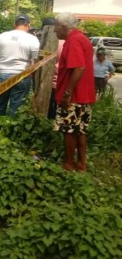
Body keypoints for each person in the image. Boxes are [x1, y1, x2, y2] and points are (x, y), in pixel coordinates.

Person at [54, 13, 96, 172]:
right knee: (80, 130)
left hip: (73, 97)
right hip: (83, 96)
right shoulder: (82, 38)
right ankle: (81, 164)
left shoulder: (73, 40)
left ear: (63, 27)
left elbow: (79, 68)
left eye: (56, 27)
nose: (54, 31)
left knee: (68, 131)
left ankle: (69, 164)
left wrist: (67, 93)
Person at [0, 14, 40, 116]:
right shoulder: (33, 39)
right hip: (22, 75)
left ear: (14, 24)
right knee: (17, 106)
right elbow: (36, 59)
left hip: (3, 74)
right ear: (28, 25)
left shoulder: (2, 36)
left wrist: (5, 54)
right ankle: (11, 129)